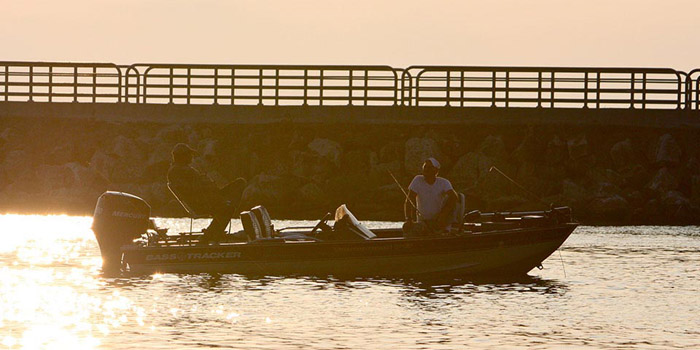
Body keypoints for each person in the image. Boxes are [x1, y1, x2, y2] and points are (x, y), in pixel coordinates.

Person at [167, 143, 246, 243]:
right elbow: (192, 189)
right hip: (203, 202)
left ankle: (214, 231)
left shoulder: (182, 169)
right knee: (227, 209)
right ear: (182, 156)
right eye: (189, 155)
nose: (192, 157)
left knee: (240, 183)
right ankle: (210, 235)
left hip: (211, 197)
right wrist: (207, 184)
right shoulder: (178, 171)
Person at [404, 157, 458, 234]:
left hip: (438, 223)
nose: (426, 169)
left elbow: (454, 197)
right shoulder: (417, 180)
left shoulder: (444, 182)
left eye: (429, 167)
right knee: (406, 228)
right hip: (423, 223)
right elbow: (409, 200)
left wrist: (443, 215)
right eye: (425, 167)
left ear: (436, 171)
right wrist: (408, 219)